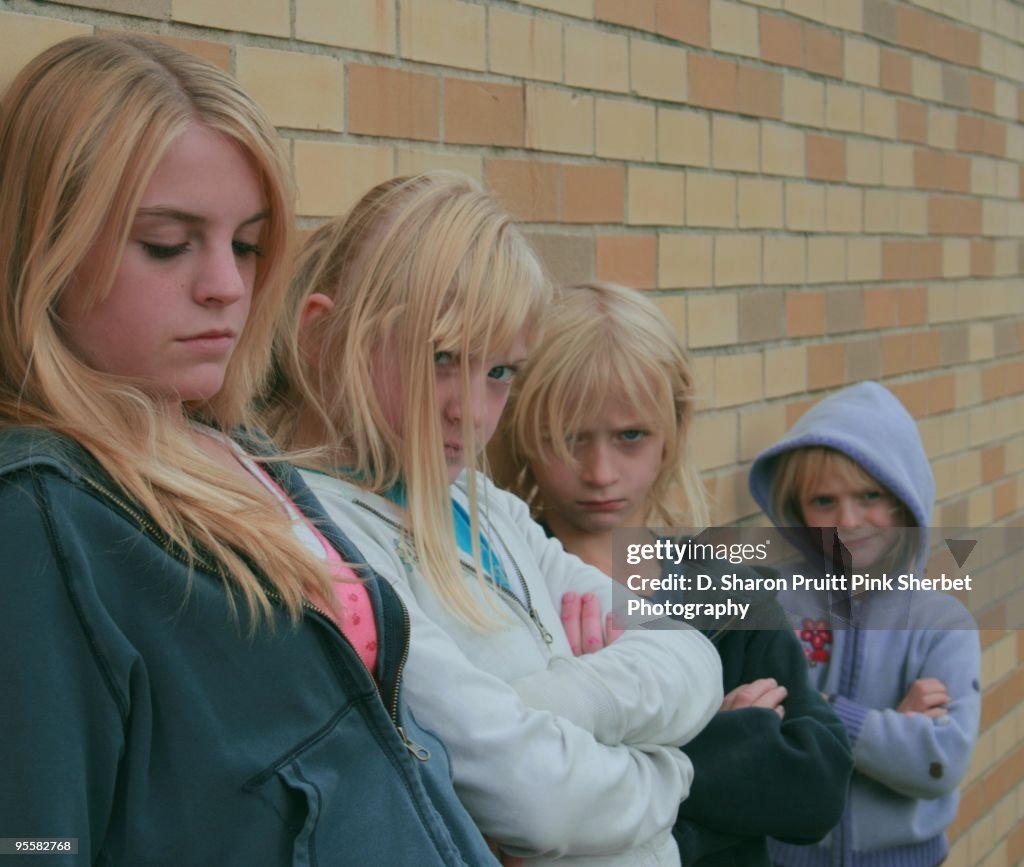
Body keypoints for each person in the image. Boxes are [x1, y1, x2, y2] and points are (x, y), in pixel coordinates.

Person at [0, 35, 500, 866]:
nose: (227, 286)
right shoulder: (39, 520)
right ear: (40, 248)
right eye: (167, 241)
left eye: (246, 243)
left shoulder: (231, 443)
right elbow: (32, 838)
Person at [267, 172, 723, 865]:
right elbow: (538, 798)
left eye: (501, 372)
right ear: (325, 337)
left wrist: (548, 701)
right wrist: (669, 772)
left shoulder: (483, 503)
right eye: (442, 358)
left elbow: (697, 661)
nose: (473, 411)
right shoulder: (314, 537)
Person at [495, 281, 852, 866]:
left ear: (672, 432)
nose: (601, 472)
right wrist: (722, 742)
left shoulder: (731, 592)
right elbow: (499, 792)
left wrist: (609, 762)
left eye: (630, 435)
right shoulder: (493, 584)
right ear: (521, 430)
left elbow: (816, 791)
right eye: (569, 438)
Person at [749, 381, 981, 867]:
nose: (847, 520)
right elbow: (749, 734)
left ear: (904, 500)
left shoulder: (942, 624)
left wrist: (809, 707)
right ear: (796, 507)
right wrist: (884, 728)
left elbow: (938, 764)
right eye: (824, 501)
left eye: (869, 495)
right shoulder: (767, 600)